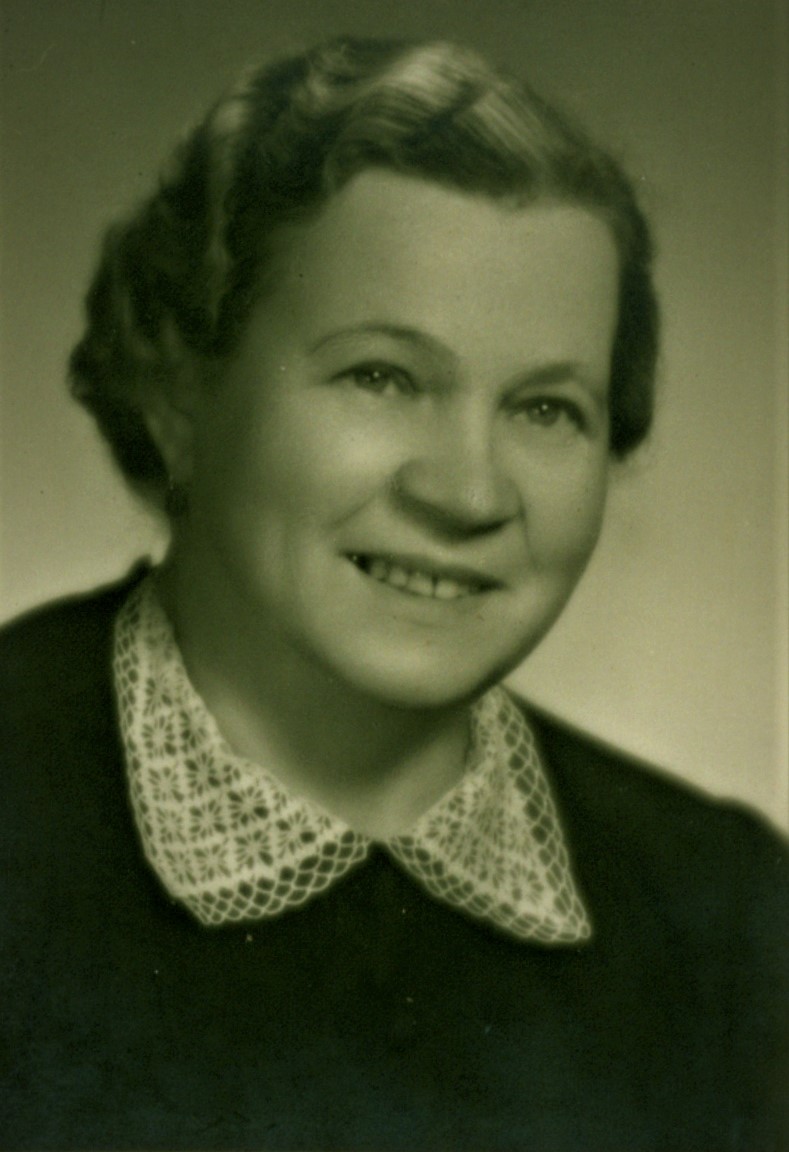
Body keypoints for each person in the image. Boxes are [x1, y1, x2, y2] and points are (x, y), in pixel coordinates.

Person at [1, 35, 787, 1151]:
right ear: (179, 395)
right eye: (381, 376)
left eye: (548, 409)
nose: (468, 493)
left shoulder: (728, 912)